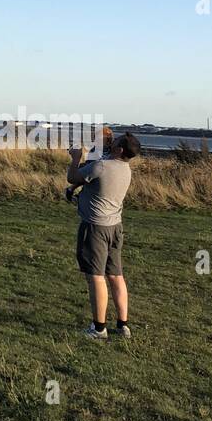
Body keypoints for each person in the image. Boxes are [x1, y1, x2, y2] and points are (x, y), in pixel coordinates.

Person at [66, 130, 140, 340]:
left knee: (96, 277)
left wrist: (76, 158)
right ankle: (123, 325)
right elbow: (89, 179)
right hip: (115, 227)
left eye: (113, 141)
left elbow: (73, 176)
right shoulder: (125, 169)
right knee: (116, 276)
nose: (110, 142)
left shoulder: (101, 166)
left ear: (119, 149)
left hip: (95, 228)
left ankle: (99, 329)